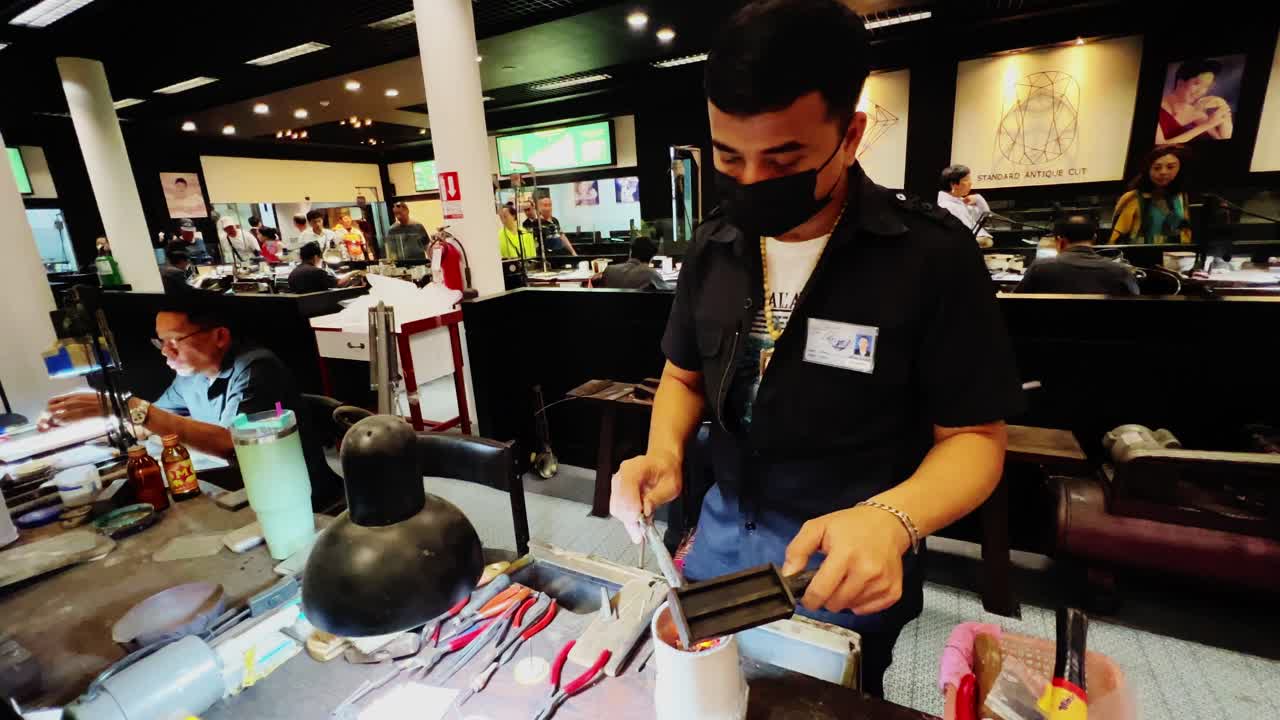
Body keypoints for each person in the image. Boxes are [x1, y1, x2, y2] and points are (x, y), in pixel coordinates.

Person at [608, 0, 1022, 698]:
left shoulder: (930, 256)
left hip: (842, 568)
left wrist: (893, 520)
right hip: (716, 550)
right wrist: (663, 455)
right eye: (730, 158)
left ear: (850, 135)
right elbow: (682, 377)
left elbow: (975, 440)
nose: (752, 181)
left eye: (784, 159)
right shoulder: (716, 243)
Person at [40, 303, 339, 509]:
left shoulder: (256, 370)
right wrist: (103, 419)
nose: (165, 352)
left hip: (293, 499)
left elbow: (233, 445)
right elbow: (155, 421)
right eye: (160, 342)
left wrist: (133, 408)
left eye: (174, 341)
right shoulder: (190, 377)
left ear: (220, 336)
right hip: (236, 489)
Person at [1016, 215, 1139, 295]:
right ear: (1094, 238)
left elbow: (1016, 301)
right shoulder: (1119, 270)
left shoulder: (1039, 267)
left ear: (1060, 241)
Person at [1110, 145, 1192, 245]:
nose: (1163, 172)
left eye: (1170, 167)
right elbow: (1116, 235)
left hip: (1178, 253)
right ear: (1148, 170)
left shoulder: (1184, 197)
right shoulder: (1133, 198)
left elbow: (1187, 232)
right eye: (1157, 168)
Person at [1157, 58, 1233, 145]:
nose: (1200, 92)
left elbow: (1223, 137)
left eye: (1206, 87)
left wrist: (1222, 105)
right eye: (1196, 84)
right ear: (1180, 82)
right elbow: (1160, 145)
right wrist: (1207, 124)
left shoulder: (1197, 113)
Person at [936, 165, 993, 248]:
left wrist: (978, 199)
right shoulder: (946, 206)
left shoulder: (960, 201)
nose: (970, 183)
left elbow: (985, 219)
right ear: (953, 184)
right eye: (966, 180)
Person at [598, 236, 670, 290]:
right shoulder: (650, 274)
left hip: (611, 306)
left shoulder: (609, 270)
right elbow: (668, 291)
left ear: (631, 252)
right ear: (651, 257)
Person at [289, 241, 361, 293]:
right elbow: (339, 284)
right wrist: (353, 273)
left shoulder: (293, 273)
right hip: (323, 305)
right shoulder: (316, 271)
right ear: (315, 257)